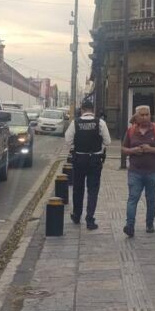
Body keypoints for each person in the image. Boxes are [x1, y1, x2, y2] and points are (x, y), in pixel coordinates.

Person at [121, 105, 155, 237]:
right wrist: (133, 151)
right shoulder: (131, 131)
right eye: (142, 115)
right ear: (136, 116)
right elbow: (123, 149)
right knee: (133, 198)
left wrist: (151, 149)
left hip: (152, 172)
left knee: (151, 199)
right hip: (135, 171)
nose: (145, 117)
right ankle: (130, 225)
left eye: (147, 114)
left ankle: (149, 223)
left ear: (150, 115)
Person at [65, 96, 111, 230]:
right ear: (93, 110)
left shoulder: (75, 123)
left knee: (78, 189)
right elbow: (107, 142)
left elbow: (67, 140)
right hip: (95, 160)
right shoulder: (100, 123)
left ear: (82, 110)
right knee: (93, 191)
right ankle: (90, 219)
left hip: (79, 159)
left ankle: (77, 216)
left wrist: (75, 147)